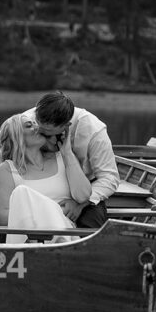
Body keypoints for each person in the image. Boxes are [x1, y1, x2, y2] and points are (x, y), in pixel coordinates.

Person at [23, 90, 120, 228]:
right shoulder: (25, 122)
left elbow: (109, 177)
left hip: (85, 190)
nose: (43, 138)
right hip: (38, 186)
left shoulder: (94, 130)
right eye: (40, 132)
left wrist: (80, 204)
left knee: (91, 229)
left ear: (66, 126)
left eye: (47, 134)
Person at [0, 113, 92, 243]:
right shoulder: (7, 169)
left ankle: (60, 243)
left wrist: (67, 152)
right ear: (16, 136)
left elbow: (84, 195)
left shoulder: (62, 158)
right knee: (21, 193)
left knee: (22, 192)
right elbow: (3, 218)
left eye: (36, 123)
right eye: (30, 125)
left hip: (65, 228)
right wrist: (51, 208)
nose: (37, 127)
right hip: (27, 235)